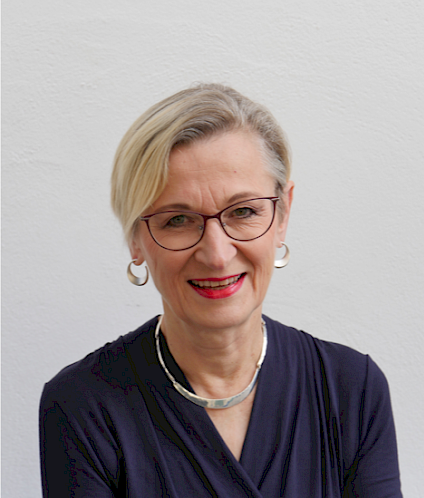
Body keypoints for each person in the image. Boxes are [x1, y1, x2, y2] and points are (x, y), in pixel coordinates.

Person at [39, 84, 402, 497]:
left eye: (243, 211)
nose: (216, 254)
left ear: (282, 214)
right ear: (135, 238)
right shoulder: (82, 406)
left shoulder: (352, 389)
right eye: (178, 220)